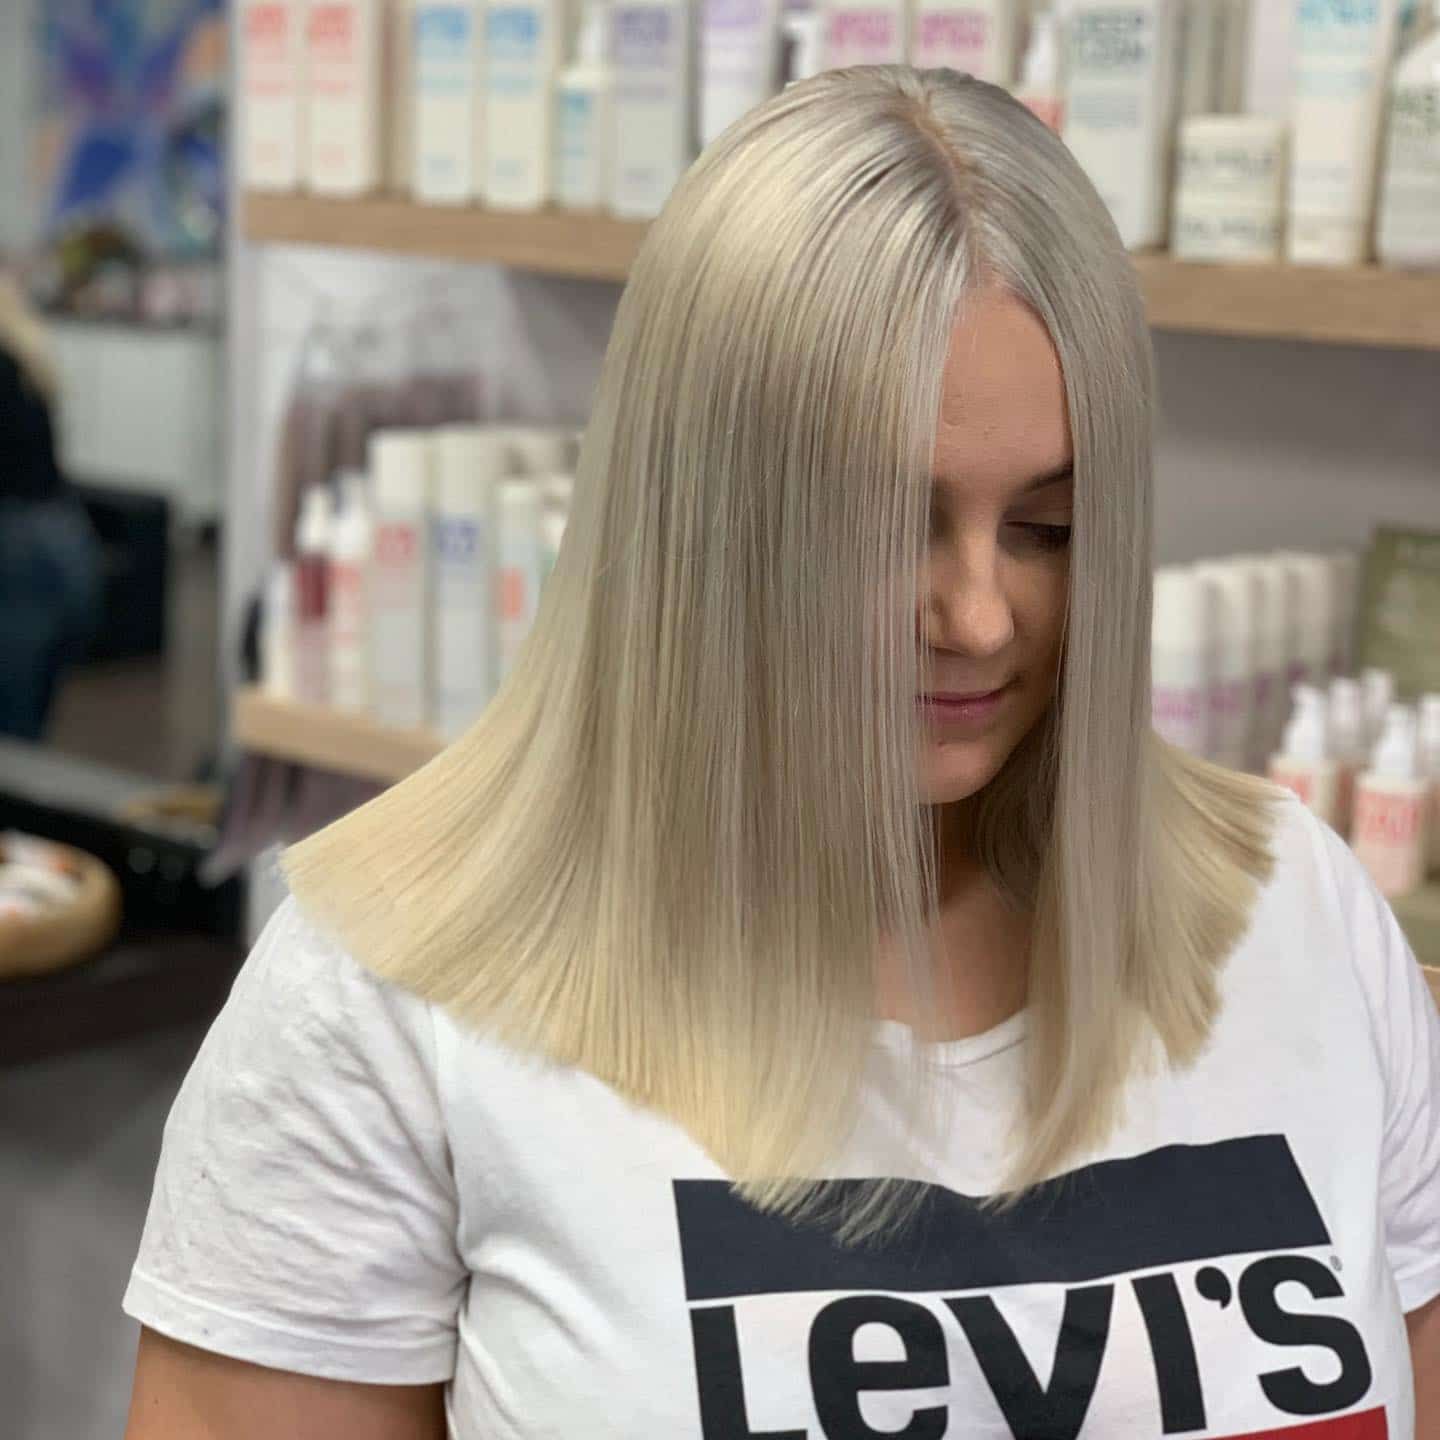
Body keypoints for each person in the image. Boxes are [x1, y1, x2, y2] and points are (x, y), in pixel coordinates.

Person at [122, 67, 1439, 1439]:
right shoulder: (388, 999)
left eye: (1048, 528)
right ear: (697, 519)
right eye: (886, 526)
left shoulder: (1302, 921)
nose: (981, 614)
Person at [0, 272, 100, 740]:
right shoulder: (26, 358)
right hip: (64, 538)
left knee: (12, 731)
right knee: (28, 716)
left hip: (19, 551)